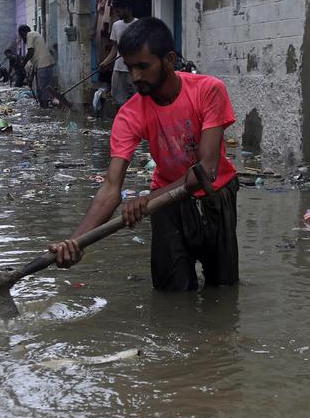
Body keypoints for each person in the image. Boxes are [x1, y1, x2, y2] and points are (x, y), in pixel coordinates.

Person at [49, 17, 239, 291]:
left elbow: (204, 171)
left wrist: (146, 199)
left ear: (169, 60)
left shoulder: (209, 90)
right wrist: (76, 242)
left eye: (143, 66)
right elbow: (111, 188)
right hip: (167, 205)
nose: (135, 76)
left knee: (222, 292)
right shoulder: (129, 114)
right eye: (129, 67)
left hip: (215, 197)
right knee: (171, 295)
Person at [97, 0, 138, 107]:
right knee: (118, 102)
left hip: (134, 69)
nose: (117, 14)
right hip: (118, 69)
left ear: (128, 9)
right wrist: (105, 62)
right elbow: (115, 48)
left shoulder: (138, 25)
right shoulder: (116, 25)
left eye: (119, 11)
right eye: (116, 11)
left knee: (137, 100)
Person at [91, 0, 128, 82]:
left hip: (116, 23)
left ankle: (115, 80)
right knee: (102, 53)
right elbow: (97, 12)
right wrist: (93, 29)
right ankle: (104, 83)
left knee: (115, 49)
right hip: (101, 29)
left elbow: (124, 8)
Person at [19, 25, 56, 108]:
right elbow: (34, 64)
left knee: (43, 89)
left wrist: (23, 63)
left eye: (21, 35)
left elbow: (30, 52)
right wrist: (30, 79)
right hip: (47, 64)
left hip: (42, 65)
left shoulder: (29, 35)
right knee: (47, 88)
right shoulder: (36, 35)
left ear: (23, 32)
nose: (21, 38)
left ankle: (44, 108)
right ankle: (46, 107)